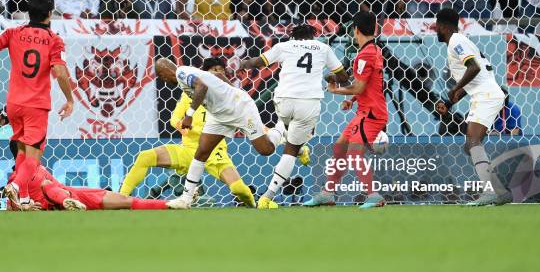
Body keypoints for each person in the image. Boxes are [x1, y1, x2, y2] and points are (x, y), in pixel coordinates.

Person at [0, 0, 74, 211]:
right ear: (50, 14)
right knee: (34, 156)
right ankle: (16, 185)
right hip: (36, 105)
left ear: (29, 13)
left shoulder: (13, 33)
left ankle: (22, 199)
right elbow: (59, 72)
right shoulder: (54, 40)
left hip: (13, 105)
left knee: (21, 150)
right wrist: (70, 100)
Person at [120, 57, 255, 207]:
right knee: (145, 157)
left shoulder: (226, 99)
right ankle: (120, 197)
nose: (217, 75)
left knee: (238, 189)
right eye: (213, 71)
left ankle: (254, 205)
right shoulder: (188, 94)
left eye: (220, 71)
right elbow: (174, 119)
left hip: (214, 153)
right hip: (189, 150)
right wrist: (182, 127)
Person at [155, 57, 287, 209]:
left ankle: (282, 127)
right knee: (202, 152)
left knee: (266, 150)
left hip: (240, 109)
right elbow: (216, 76)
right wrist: (231, 89)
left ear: (164, 71)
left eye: (160, 76)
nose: (163, 80)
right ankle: (186, 198)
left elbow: (202, 87)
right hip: (219, 116)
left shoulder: (181, 73)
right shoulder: (189, 72)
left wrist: (189, 115)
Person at [240, 24, 348, 208]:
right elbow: (343, 77)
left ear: (293, 37)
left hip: (283, 100)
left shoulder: (284, 46)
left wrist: (244, 63)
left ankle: (294, 145)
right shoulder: (323, 48)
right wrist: (332, 78)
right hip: (308, 103)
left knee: (284, 126)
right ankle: (267, 197)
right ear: (313, 37)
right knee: (291, 148)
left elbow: (258, 62)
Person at [304, 11, 389, 209]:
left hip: (371, 114)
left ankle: (374, 195)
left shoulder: (364, 55)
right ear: (375, 29)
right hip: (368, 110)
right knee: (340, 147)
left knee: (353, 154)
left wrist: (336, 90)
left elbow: (359, 86)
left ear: (355, 30)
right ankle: (328, 193)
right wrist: (352, 99)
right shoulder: (375, 50)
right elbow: (369, 85)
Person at [433, 8, 510, 206]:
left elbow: (474, 68)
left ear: (442, 26)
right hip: (485, 94)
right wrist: (450, 102)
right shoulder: (460, 42)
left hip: (486, 95)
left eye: (436, 27)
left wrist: (455, 88)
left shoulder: (456, 41)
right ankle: (499, 190)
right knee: (470, 145)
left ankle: (491, 191)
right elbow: (475, 76)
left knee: (473, 141)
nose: (435, 30)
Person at [4, 143, 168, 211]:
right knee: (47, 184)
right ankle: (66, 203)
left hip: (74, 193)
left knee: (124, 200)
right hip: (57, 203)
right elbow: (9, 203)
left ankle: (169, 204)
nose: (38, 148)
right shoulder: (16, 177)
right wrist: (24, 207)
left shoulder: (36, 166)